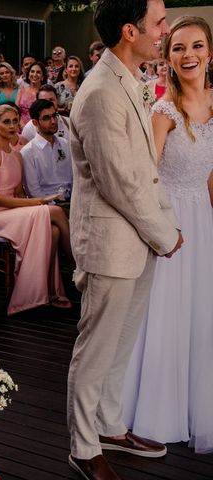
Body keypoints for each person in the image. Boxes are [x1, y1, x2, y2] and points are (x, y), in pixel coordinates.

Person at [66, 0, 184, 478]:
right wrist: (164, 234)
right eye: (158, 22)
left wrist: (167, 226)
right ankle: (82, 444)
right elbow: (119, 182)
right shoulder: (98, 92)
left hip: (138, 240)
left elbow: (146, 172)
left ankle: (110, 426)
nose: (165, 29)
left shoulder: (129, 80)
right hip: (111, 244)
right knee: (95, 348)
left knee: (120, 344)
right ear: (129, 31)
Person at [123, 15, 213, 455]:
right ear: (168, 57)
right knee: (165, 313)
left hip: (205, 219)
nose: (188, 55)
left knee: (201, 313)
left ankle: (198, 405)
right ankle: (157, 410)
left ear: (210, 53)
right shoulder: (164, 111)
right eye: (178, 48)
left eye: (196, 46)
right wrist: (161, 231)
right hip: (171, 220)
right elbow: (146, 179)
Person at [0, 104, 71, 316]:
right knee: (54, 212)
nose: (12, 126)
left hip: (13, 211)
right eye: (6, 122)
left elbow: (19, 193)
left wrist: (32, 203)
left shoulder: (17, 155)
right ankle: (75, 264)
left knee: (54, 230)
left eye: (15, 121)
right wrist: (36, 203)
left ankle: (46, 291)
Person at [21, 99, 72, 199]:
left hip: (71, 201)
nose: (53, 121)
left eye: (54, 116)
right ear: (35, 122)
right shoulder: (28, 152)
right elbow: (33, 191)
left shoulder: (64, 144)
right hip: (47, 206)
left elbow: (74, 178)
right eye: (46, 118)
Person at [16, 61, 46, 128]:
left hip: (38, 128)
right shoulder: (21, 90)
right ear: (28, 74)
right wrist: (22, 125)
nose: (34, 74)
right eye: (32, 71)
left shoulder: (44, 93)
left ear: (42, 77)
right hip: (19, 126)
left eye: (38, 72)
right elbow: (15, 110)